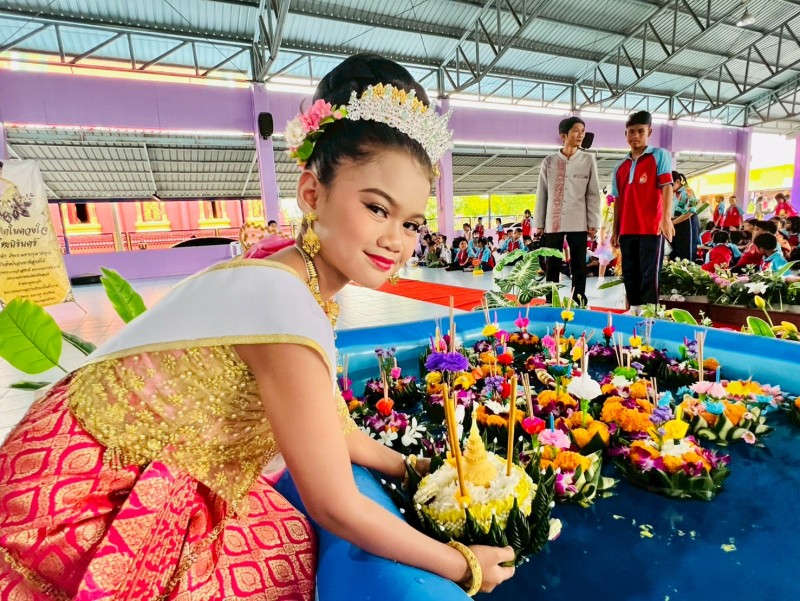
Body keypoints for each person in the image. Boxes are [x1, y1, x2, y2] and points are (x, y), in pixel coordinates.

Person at [0, 54, 515, 599]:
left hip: (112, 464)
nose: (396, 240)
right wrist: (463, 565)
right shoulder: (284, 304)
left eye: (411, 223)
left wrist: (415, 469)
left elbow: (332, 427)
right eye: (376, 208)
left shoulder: (288, 272)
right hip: (82, 503)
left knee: (290, 538)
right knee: (285, 565)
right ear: (312, 194)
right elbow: (335, 506)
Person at [611, 110, 674, 316]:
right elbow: (617, 201)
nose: (635, 136)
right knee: (629, 271)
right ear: (625, 134)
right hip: (627, 228)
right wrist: (615, 230)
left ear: (649, 132)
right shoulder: (619, 167)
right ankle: (634, 308)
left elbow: (666, 187)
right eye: (631, 132)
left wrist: (666, 218)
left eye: (640, 131)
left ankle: (650, 312)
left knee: (650, 272)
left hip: (651, 227)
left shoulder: (659, 155)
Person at [534, 116, 601, 304]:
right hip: (553, 221)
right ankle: (550, 300)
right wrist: (539, 224)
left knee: (578, 265)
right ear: (563, 135)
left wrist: (593, 222)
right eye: (576, 131)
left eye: (583, 131)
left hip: (579, 221)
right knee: (552, 264)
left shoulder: (588, 159)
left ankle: (579, 301)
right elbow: (542, 193)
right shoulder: (549, 161)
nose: (581, 135)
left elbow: (593, 193)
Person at [669, 171, 699, 262]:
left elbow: (691, 211)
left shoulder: (687, 191)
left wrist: (672, 222)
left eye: (670, 184)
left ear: (677, 181)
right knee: (674, 252)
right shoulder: (673, 192)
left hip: (686, 223)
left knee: (685, 254)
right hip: (674, 223)